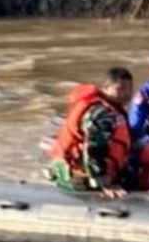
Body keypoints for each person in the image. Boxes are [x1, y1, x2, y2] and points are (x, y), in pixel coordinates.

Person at [46, 67, 135, 198]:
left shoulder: (113, 109)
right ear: (106, 88)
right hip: (79, 176)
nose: (126, 94)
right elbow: (93, 150)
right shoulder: (102, 114)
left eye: (129, 89)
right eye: (120, 89)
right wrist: (104, 184)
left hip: (95, 169)